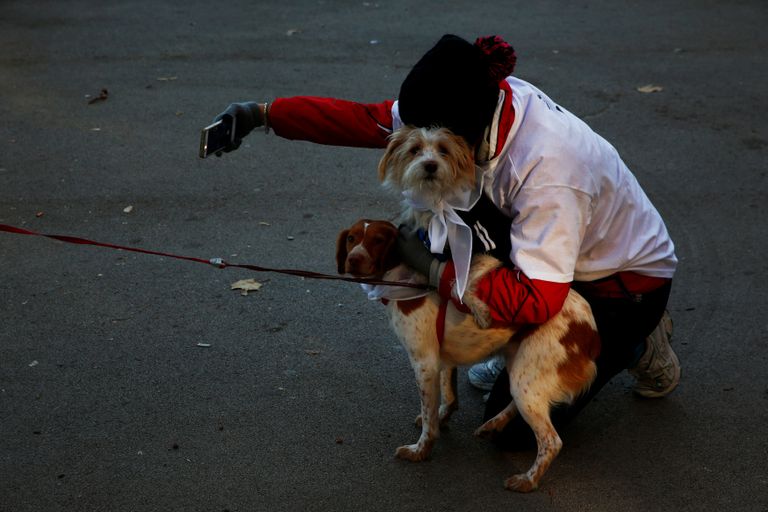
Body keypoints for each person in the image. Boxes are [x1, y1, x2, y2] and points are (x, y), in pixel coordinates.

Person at [211, 34, 681, 448]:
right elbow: (364, 121)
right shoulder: (469, 100)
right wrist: (262, 114)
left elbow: (539, 298)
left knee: (515, 431)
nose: (417, 143)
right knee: (439, 230)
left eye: (434, 139)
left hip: (620, 284)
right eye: (415, 134)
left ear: (463, 133)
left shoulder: (552, 170)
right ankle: (510, 341)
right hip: (546, 252)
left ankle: (639, 343)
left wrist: (436, 272)